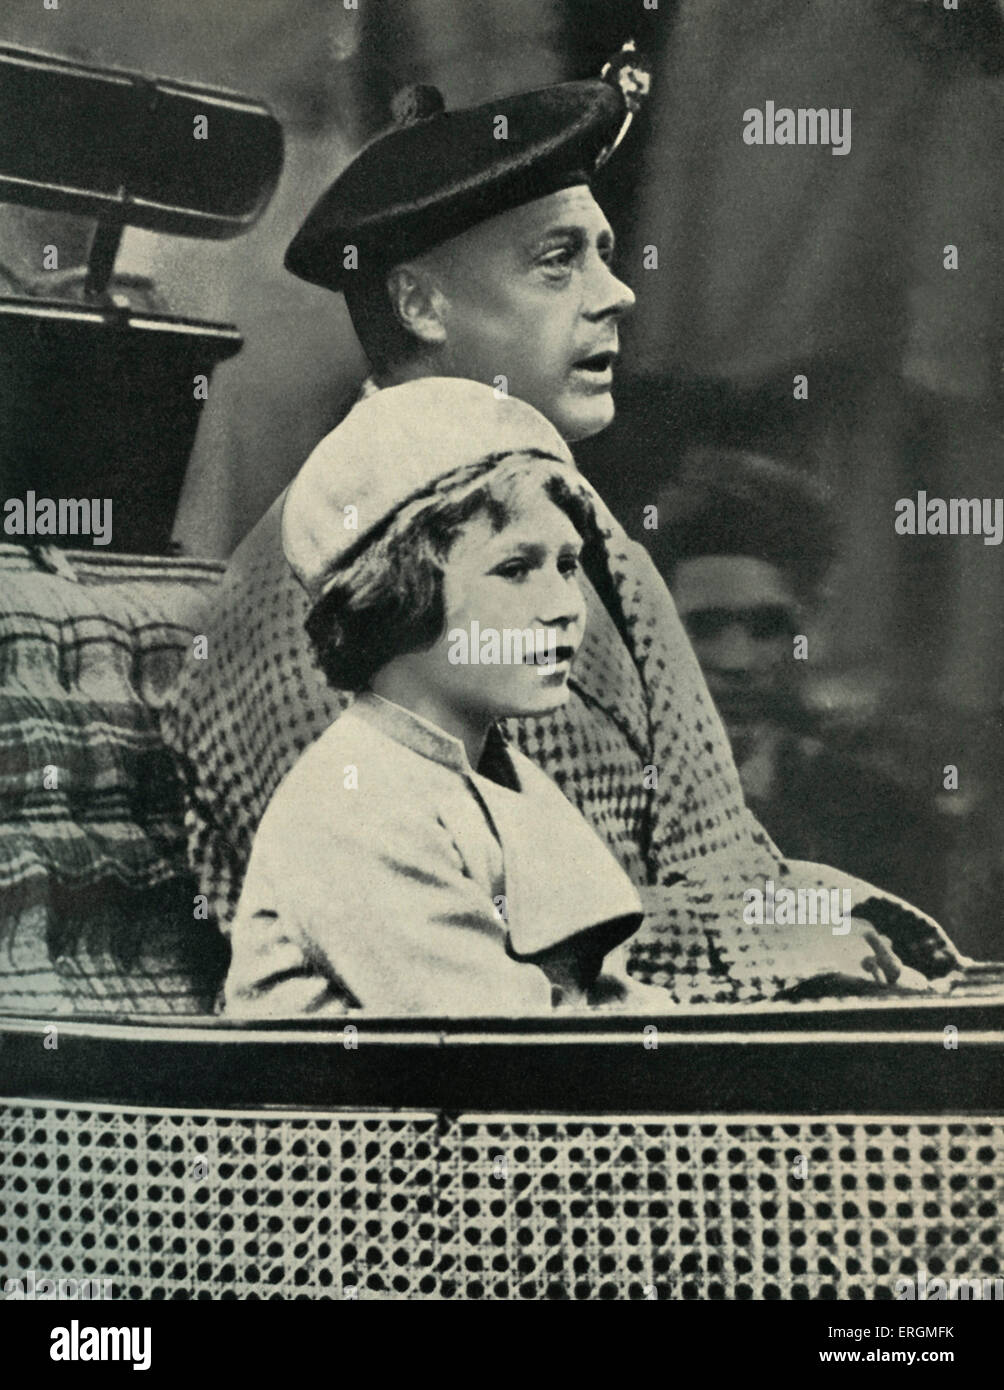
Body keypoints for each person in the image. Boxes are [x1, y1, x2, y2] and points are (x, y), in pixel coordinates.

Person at [163, 50, 967, 1007]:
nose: (617, 293)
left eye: (606, 253)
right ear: (421, 303)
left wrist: (815, 926)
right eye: (558, 262)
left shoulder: (584, 543)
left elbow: (725, 859)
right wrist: (765, 947)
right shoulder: (318, 585)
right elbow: (467, 962)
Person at [225, 380, 678, 1015]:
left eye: (567, 566)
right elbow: (499, 1043)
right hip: (352, 1113)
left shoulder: (503, 775)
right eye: (516, 569)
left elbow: (602, 999)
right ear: (396, 595)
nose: (565, 608)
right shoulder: (351, 802)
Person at [652, 446, 956, 924]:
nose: (737, 661)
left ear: (805, 628)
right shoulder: (594, 810)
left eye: (767, 626)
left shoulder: (886, 817)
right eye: (705, 627)